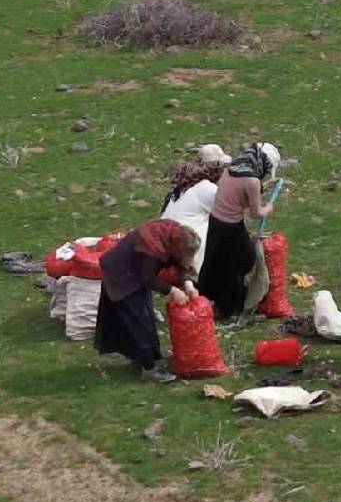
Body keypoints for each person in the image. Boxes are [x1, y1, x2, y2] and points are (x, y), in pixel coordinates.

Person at [95, 219, 200, 383]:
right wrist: (172, 290)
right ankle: (149, 368)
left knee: (146, 316)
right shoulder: (152, 245)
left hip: (136, 273)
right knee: (138, 321)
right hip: (122, 274)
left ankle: (150, 357)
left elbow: (181, 261)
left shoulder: (174, 237)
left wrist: (188, 283)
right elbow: (147, 278)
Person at [197, 142, 280, 320]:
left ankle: (206, 298)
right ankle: (229, 306)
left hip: (216, 221)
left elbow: (238, 194)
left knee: (214, 261)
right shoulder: (252, 181)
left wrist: (262, 188)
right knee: (243, 261)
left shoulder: (231, 169)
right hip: (231, 227)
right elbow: (256, 212)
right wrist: (269, 207)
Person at [160, 144, 231, 274]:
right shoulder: (206, 188)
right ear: (217, 169)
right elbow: (230, 210)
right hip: (186, 248)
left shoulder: (184, 186)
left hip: (166, 242)